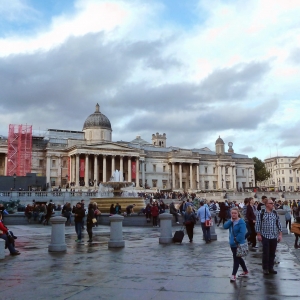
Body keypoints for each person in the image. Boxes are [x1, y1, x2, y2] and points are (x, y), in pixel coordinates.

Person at [255, 198, 282, 275]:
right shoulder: (261, 213)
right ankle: (265, 268)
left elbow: (278, 224)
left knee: (272, 253)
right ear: (266, 204)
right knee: (266, 253)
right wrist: (258, 234)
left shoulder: (275, 213)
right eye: (271, 203)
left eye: (273, 203)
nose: (273, 205)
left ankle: (271, 267)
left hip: (274, 235)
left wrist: (280, 234)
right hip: (265, 235)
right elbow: (258, 224)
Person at [224, 207, 248, 282]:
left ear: (238, 214)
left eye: (235, 213)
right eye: (232, 213)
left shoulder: (241, 222)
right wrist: (230, 221)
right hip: (232, 244)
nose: (233, 215)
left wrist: (236, 241)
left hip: (238, 244)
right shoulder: (231, 221)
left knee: (236, 259)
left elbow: (242, 233)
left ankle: (233, 275)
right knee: (239, 257)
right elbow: (225, 226)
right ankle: (245, 270)